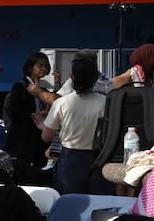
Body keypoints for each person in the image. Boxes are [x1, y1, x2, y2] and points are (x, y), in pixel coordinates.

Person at [40, 57, 107, 194]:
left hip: (70, 161)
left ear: (72, 77)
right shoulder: (106, 102)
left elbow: (46, 137)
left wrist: (42, 125)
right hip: (99, 159)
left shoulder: (61, 103)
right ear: (95, 78)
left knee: (70, 204)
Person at [2, 51, 57, 183]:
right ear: (30, 67)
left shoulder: (43, 89)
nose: (44, 69)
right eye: (40, 65)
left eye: (46, 66)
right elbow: (14, 112)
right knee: (24, 175)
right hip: (23, 141)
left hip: (39, 142)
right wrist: (35, 116)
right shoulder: (20, 86)